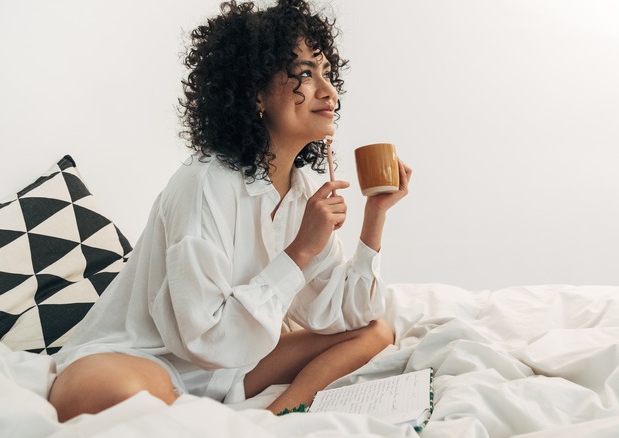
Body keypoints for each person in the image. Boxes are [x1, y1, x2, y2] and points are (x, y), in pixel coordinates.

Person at [49, 0, 411, 422]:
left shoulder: (305, 191)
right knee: (99, 392)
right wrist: (300, 252)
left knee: (375, 331)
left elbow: (342, 313)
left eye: (326, 73)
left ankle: (273, 418)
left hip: (232, 369)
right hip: (148, 359)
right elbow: (202, 337)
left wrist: (375, 215)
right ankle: (195, 416)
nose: (328, 91)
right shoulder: (205, 182)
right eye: (305, 74)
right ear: (256, 92)